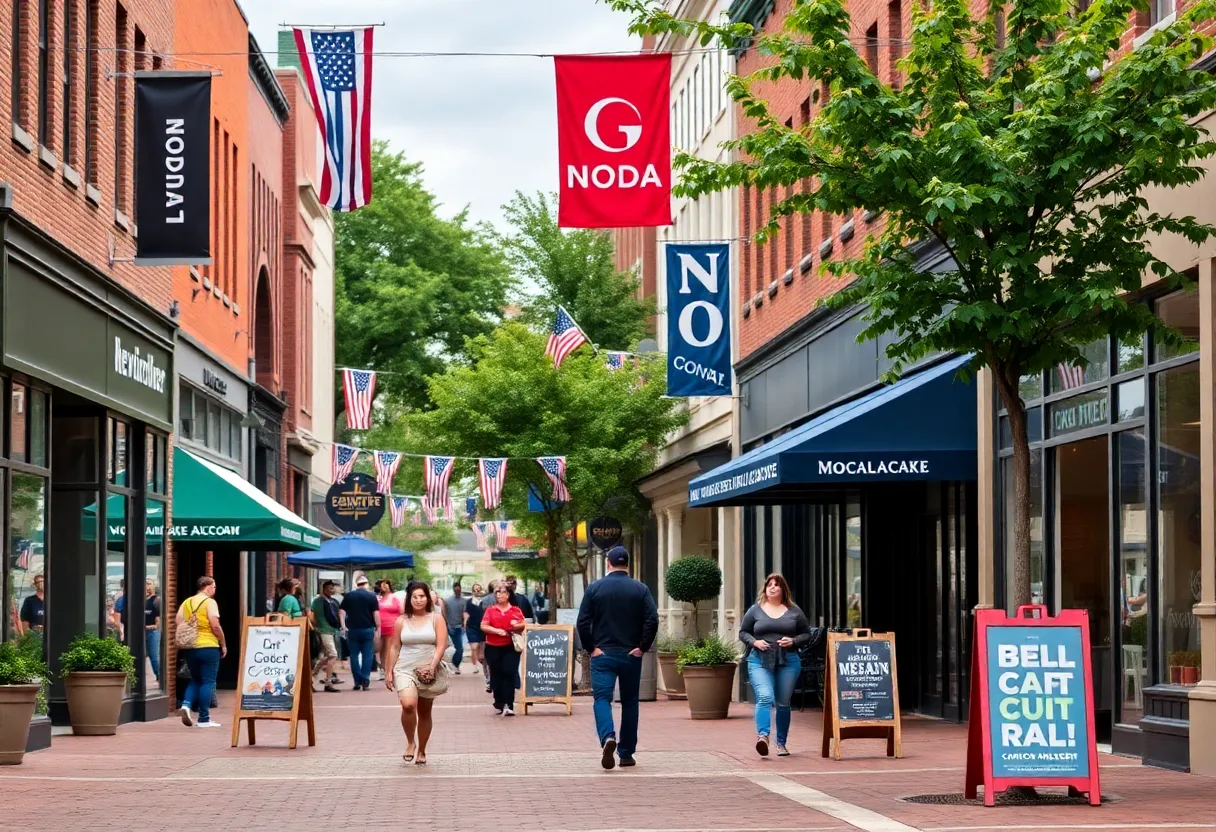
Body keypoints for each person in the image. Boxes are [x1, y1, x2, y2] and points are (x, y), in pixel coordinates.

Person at [576, 545, 658, 770]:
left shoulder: (595, 588)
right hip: (631, 654)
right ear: (627, 564)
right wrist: (642, 647)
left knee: (602, 699)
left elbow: (582, 622)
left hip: (603, 654)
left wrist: (591, 648)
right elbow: (652, 620)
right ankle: (626, 753)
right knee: (630, 702)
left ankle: (607, 737)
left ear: (608, 564)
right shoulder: (640, 589)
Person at [738, 573, 812, 758]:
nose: (772, 587)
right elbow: (743, 632)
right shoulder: (755, 610)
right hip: (759, 660)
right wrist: (754, 642)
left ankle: (781, 744)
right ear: (765, 589)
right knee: (764, 697)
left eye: (776, 585)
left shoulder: (794, 611)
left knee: (783, 703)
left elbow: (806, 634)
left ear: (782, 589)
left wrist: (793, 641)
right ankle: (763, 736)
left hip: (788, 661)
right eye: (769, 584)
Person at [384, 581, 449, 765]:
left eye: (422, 596)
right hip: (405, 668)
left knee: (425, 711)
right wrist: (389, 671)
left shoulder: (436, 618)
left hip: (429, 667)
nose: (418, 600)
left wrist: (432, 666)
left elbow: (441, 645)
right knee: (408, 704)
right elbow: (394, 647)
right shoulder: (401, 621)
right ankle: (410, 742)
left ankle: (422, 750)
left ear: (428, 598)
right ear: (409, 599)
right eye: (415, 596)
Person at [176, 576, 227, 728]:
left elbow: (178, 620)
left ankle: (186, 704)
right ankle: (204, 718)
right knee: (208, 682)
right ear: (206, 587)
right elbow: (215, 625)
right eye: (214, 586)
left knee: (195, 679)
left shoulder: (187, 601)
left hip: (190, 647)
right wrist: (223, 643)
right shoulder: (209, 602)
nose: (215, 590)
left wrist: (192, 627)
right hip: (208, 646)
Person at [482, 583, 526, 716]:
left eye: (503, 592)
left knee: (509, 672)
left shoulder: (515, 610)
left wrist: (515, 626)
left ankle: (509, 703)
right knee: (496, 673)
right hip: (493, 646)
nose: (500, 595)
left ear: (508, 594)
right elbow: (483, 625)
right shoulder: (490, 610)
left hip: (510, 646)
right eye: (497, 592)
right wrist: (496, 631)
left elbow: (523, 624)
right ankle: (499, 702)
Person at [340, 576, 381, 691]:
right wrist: (378, 628)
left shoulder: (349, 595)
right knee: (367, 655)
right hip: (367, 628)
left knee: (353, 655)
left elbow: (341, 612)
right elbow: (376, 614)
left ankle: (357, 681)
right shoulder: (371, 596)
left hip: (352, 629)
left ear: (357, 584)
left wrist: (344, 626)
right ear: (366, 584)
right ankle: (365, 679)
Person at [309, 581, 342, 692]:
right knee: (333, 655)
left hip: (332, 630)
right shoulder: (318, 601)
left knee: (326, 656)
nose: (332, 589)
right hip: (324, 630)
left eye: (333, 587)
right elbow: (312, 615)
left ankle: (312, 675)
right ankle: (328, 682)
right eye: (330, 587)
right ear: (325, 588)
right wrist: (316, 626)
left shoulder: (332, 601)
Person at [377, 579, 403, 681]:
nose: (384, 587)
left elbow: (401, 611)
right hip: (380, 627)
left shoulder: (394, 598)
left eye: (386, 585)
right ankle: (383, 668)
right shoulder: (378, 598)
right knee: (381, 650)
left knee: (389, 649)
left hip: (392, 626)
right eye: (383, 585)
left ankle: (389, 670)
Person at [443, 582, 467, 673]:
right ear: (453, 589)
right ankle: (447, 664)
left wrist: (464, 624)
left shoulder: (464, 601)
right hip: (450, 626)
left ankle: (454, 664)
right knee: (447, 646)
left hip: (458, 627)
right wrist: (446, 624)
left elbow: (464, 613)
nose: (458, 591)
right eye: (456, 589)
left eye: (459, 589)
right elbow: (444, 612)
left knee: (459, 648)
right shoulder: (447, 601)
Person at [465, 583, 487, 678]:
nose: (477, 591)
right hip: (471, 626)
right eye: (475, 589)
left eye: (478, 589)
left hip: (482, 626)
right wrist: (465, 621)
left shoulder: (484, 601)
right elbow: (466, 612)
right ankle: (474, 666)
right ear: (472, 591)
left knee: (481, 649)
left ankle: (482, 662)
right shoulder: (469, 601)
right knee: (474, 647)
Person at [144, 579, 161, 685]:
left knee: (154, 656)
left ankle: (159, 677)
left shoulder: (156, 600)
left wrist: (154, 626)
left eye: (149, 584)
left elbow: (159, 618)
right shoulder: (143, 600)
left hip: (153, 632)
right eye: (146, 584)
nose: (147, 586)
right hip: (143, 631)